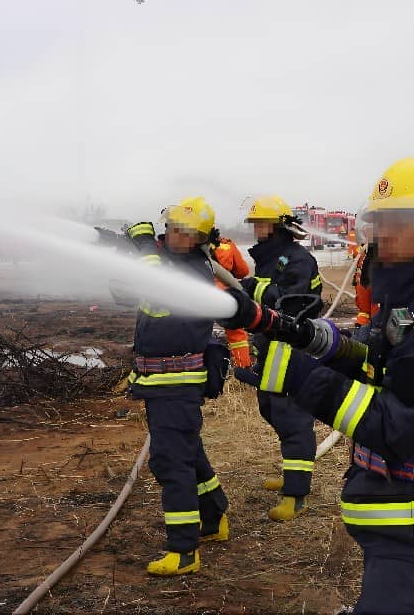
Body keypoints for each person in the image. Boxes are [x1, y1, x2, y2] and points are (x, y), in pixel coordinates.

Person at [224, 157, 414, 614]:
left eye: (403, 222)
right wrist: (280, 327)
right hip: (406, 522)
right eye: (380, 220)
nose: (385, 234)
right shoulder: (413, 301)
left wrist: (297, 374)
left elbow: (397, 427)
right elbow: (373, 361)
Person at [124, 197, 230, 577]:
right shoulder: (173, 264)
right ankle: (215, 515)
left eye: (185, 232)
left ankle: (184, 550)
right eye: (171, 227)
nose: (174, 235)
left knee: (171, 461)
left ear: (200, 238)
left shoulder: (192, 275)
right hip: (163, 383)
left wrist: (141, 247)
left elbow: (157, 290)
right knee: (188, 452)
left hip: (176, 383)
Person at [236, 195, 323, 521]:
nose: (257, 229)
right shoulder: (272, 258)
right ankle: (291, 474)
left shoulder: (297, 260)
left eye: (263, 223)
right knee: (270, 407)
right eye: (255, 223)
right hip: (272, 344)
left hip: (293, 348)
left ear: (279, 227)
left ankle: (296, 494)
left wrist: (251, 288)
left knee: (292, 417)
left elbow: (291, 302)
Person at [208, 229, 252, 368]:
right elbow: (243, 271)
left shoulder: (191, 245)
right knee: (237, 333)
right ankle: (243, 366)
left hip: (202, 294)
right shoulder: (227, 245)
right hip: (226, 295)